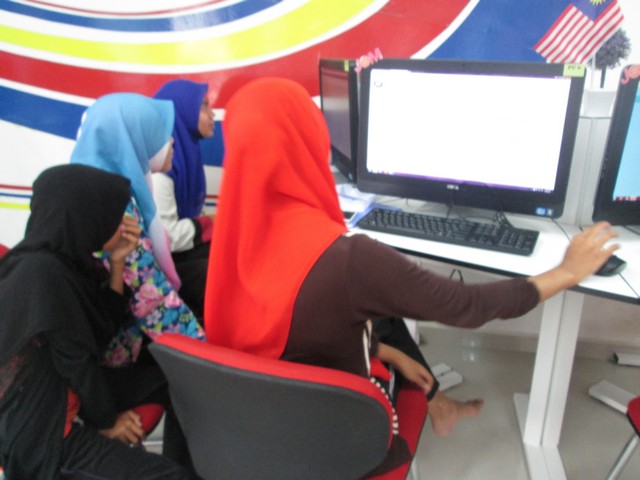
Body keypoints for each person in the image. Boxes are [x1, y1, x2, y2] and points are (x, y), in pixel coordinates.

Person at [203, 78, 619, 473]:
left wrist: (387, 352)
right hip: (335, 441)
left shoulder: (231, 240)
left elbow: (289, 341)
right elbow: (468, 307)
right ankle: (437, 409)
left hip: (254, 435)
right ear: (308, 143)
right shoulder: (348, 259)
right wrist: (567, 272)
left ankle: (437, 404)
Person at [0, 164, 200, 480]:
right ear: (85, 218)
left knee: (176, 377)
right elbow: (76, 362)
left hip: (66, 391)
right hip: (44, 429)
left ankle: (188, 463)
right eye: (112, 216)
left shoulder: (64, 264)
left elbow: (99, 334)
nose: (122, 224)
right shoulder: (42, 275)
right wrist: (108, 422)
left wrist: (117, 263)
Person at [70, 93, 205, 368]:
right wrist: (208, 356)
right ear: (133, 136)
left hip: (100, 337)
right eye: (159, 131)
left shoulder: (98, 191)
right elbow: (150, 297)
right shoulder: (113, 208)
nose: (172, 141)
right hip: (108, 357)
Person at [152, 79, 216, 319]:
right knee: (217, 272)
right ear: (183, 111)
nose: (212, 114)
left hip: (178, 253)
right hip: (163, 262)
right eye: (204, 106)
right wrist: (208, 224)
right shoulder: (162, 167)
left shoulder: (187, 151)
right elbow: (165, 236)